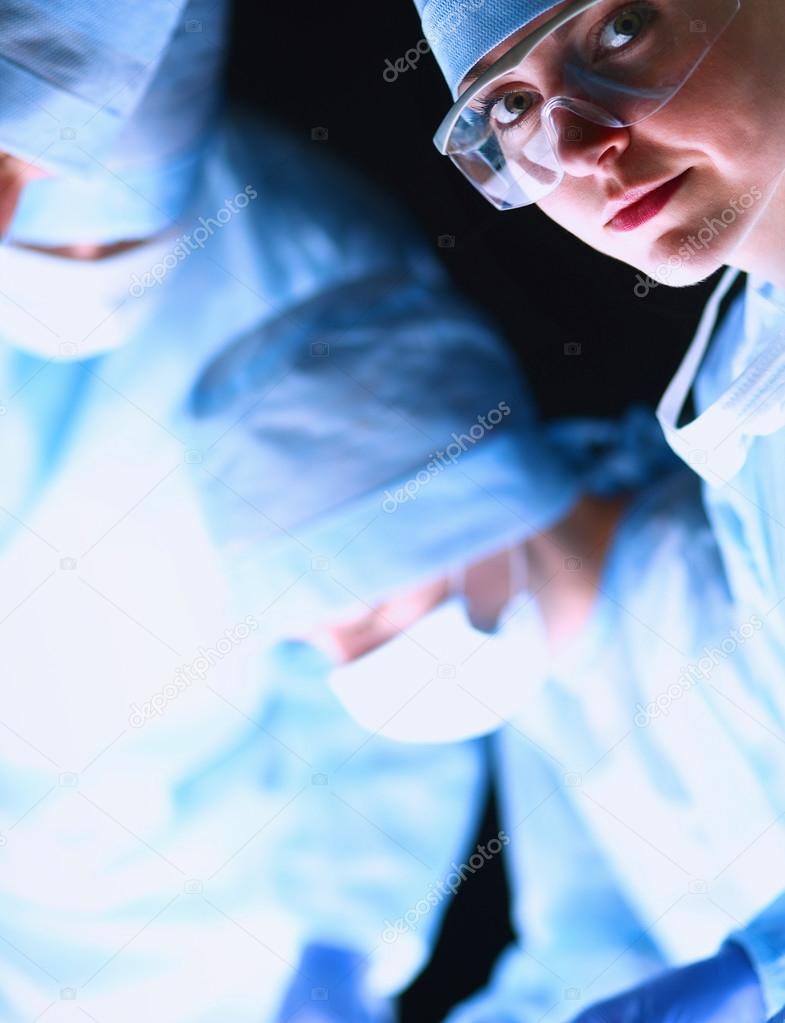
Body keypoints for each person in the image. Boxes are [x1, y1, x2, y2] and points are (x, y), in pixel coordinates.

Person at [0, 2, 592, 1020]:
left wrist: (345, 933)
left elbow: (400, 606)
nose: (78, 276)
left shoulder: (312, 256)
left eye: (114, 248)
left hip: (214, 900)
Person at [402, 1, 785, 1020]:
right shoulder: (741, 382)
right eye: (510, 104)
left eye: (619, 31)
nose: (570, 147)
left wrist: (758, 974)